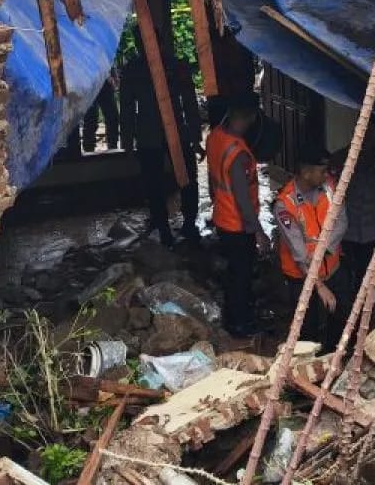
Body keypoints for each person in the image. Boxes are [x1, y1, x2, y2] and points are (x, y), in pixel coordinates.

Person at [119, 36, 202, 246]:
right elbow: (127, 108)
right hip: (152, 134)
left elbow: (190, 101)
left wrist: (195, 137)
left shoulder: (173, 66)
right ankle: (168, 226)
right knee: (157, 182)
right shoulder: (135, 70)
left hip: (169, 133)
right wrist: (128, 141)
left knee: (184, 178)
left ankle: (186, 223)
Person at [274, 145, 346, 351]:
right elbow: (300, 254)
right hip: (302, 277)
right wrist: (319, 286)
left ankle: (334, 356)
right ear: (306, 173)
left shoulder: (329, 188)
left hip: (332, 268)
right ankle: (309, 371)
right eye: (322, 170)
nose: (327, 175)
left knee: (340, 314)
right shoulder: (285, 205)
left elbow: (341, 221)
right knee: (307, 328)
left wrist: (327, 249)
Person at [207, 93, 266, 338]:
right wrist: (258, 231)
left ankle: (233, 316)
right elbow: (242, 197)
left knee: (234, 272)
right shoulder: (238, 153)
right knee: (242, 274)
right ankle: (240, 324)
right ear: (250, 117)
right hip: (237, 224)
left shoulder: (214, 137)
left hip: (222, 217)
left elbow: (213, 179)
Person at [328, 119, 375, 343]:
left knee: (369, 280)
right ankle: (343, 330)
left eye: (374, 134)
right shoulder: (339, 160)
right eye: (366, 133)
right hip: (345, 234)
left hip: (372, 232)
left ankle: (363, 329)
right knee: (345, 282)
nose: (369, 139)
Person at [82, 70, 120, 153]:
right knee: (90, 119)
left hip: (104, 80)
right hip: (89, 80)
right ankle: (88, 150)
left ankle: (113, 148)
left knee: (112, 117)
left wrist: (113, 74)